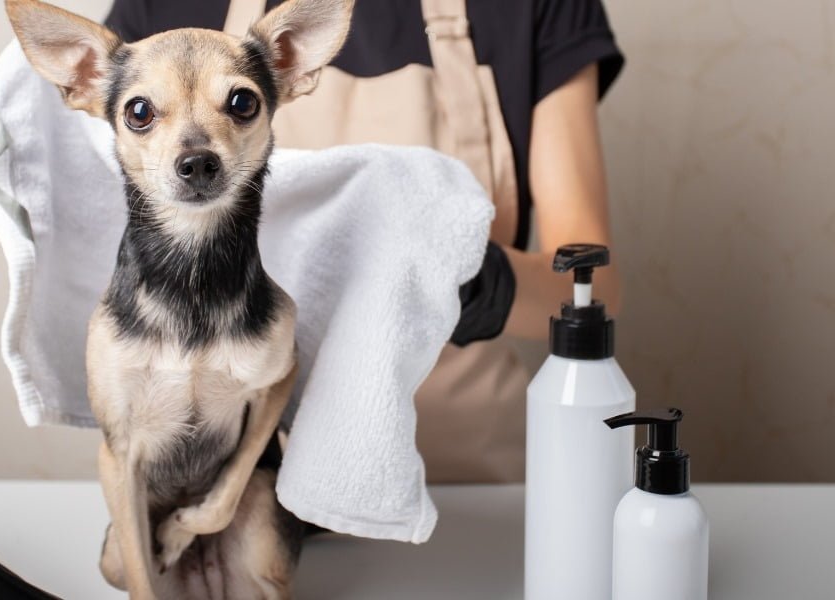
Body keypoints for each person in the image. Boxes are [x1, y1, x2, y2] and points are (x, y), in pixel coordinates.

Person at [102, 0, 625, 483]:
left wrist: (460, 276)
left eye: (239, 103)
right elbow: (95, 235)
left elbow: (594, 289)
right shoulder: (164, 7)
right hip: (244, 476)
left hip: (465, 477)